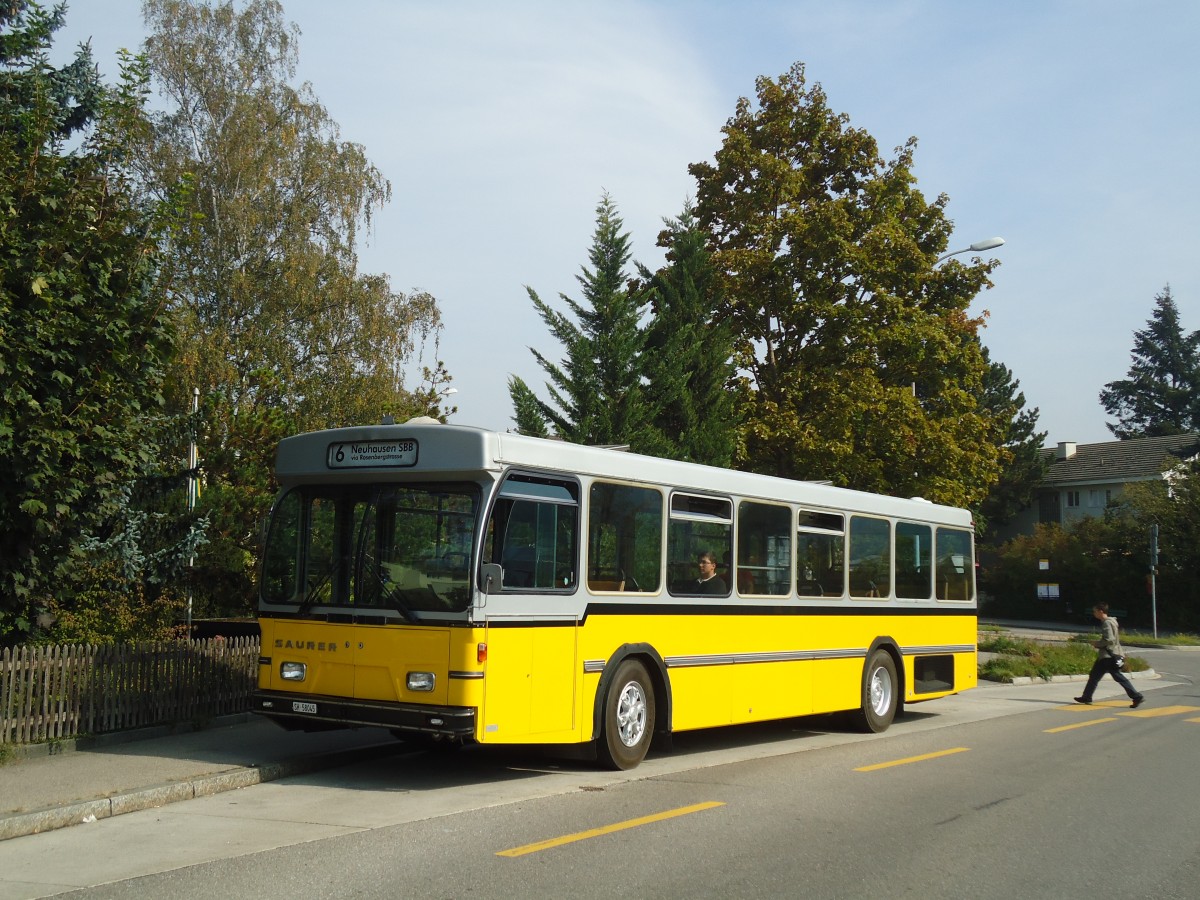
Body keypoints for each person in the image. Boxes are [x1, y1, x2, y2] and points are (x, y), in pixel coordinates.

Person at [1075, 602, 1145, 708]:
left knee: (1111, 676)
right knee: (1097, 676)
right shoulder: (1112, 621)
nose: (1094, 613)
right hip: (1112, 654)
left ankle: (1136, 696)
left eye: (1095, 611)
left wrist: (1097, 644)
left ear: (1100, 611)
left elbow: (1109, 640)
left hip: (1108, 655)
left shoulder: (1107, 623)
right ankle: (1087, 696)